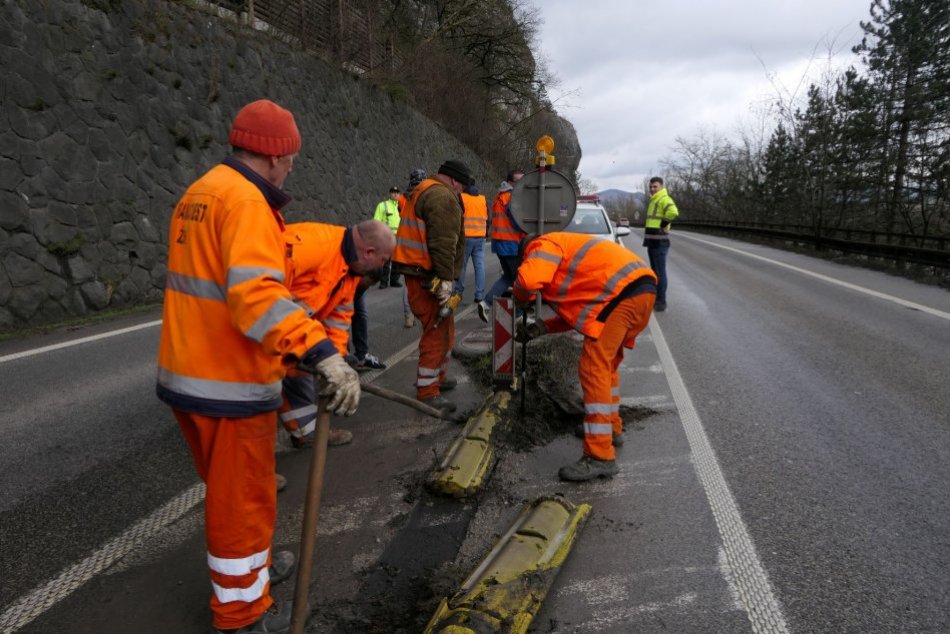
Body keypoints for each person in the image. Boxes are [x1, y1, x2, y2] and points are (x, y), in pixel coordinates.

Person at [156, 99, 361, 634]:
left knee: (236, 496)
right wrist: (320, 353)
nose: (291, 166)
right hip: (229, 383)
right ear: (276, 156)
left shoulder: (200, 193)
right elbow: (258, 297)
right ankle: (243, 615)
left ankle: (258, 572)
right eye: (291, 157)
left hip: (188, 373)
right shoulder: (246, 203)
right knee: (242, 505)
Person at [513, 232, 657, 482]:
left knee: (594, 367)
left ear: (526, 252)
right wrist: (544, 327)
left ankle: (600, 455)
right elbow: (582, 314)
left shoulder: (543, 245)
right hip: (639, 292)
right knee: (607, 366)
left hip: (622, 296)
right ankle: (610, 428)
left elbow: (527, 282)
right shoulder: (567, 253)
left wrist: (521, 299)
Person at [279, 220, 394, 449]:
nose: (383, 266)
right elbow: (261, 295)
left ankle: (308, 433)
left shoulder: (350, 272)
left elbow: (337, 321)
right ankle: (251, 478)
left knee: (298, 375)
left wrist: (336, 361)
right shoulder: (309, 248)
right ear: (369, 252)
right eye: (383, 260)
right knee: (255, 403)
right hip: (255, 331)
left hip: (291, 333)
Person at [392, 160, 472, 412]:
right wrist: (446, 280)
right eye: (463, 187)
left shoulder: (425, 189)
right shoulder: (442, 196)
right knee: (436, 329)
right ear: (456, 181)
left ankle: (437, 377)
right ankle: (428, 390)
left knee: (445, 326)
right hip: (427, 276)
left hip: (420, 272)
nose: (462, 192)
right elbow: (443, 243)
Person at [478, 169, 525, 322]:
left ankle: (486, 303)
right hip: (510, 245)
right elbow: (517, 223)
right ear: (510, 182)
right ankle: (518, 315)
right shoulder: (512, 198)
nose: (521, 184)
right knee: (519, 280)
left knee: (508, 277)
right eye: (518, 181)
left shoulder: (500, 196)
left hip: (500, 244)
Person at [642, 176, 679, 311]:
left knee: (660, 272)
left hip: (660, 241)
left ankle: (661, 302)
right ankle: (657, 298)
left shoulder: (664, 198)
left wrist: (664, 223)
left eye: (655, 186)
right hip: (652, 241)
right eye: (651, 187)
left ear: (661, 187)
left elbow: (673, 212)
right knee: (655, 271)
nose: (652, 189)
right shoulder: (654, 200)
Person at [399, 168, 428, 329]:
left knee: (407, 284)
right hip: (421, 245)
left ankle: (408, 316)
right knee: (424, 281)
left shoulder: (403, 198)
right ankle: (423, 313)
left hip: (404, 245)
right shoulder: (426, 195)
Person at [455, 184, 488, 305]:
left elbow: (456, 217)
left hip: (465, 237)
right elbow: (487, 218)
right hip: (480, 236)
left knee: (461, 266)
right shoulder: (482, 199)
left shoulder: (461, 197)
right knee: (479, 266)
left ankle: (458, 293)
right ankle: (479, 295)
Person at [373, 186, 402, 288]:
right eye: (393, 192)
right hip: (387, 237)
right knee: (385, 260)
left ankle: (394, 281)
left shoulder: (402, 206)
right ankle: (384, 282)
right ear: (390, 193)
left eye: (397, 192)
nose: (395, 194)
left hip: (399, 237)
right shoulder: (383, 205)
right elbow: (376, 221)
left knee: (397, 260)